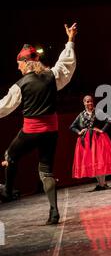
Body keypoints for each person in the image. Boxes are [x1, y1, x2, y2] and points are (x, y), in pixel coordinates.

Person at [0, 23, 77, 224]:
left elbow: (4, 107)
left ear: (25, 62)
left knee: (10, 154)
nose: (18, 67)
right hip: (51, 131)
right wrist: (70, 40)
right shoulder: (52, 76)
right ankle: (53, 211)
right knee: (46, 171)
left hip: (31, 131)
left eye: (19, 63)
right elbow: (66, 63)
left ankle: (7, 191)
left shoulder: (21, 85)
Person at [70, 96, 111, 190]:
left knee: (100, 160)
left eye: (91, 101)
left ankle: (103, 183)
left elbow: (109, 120)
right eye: (87, 101)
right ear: (84, 103)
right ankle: (101, 184)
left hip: (97, 139)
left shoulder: (98, 112)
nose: (90, 103)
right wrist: (79, 132)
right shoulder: (81, 115)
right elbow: (72, 126)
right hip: (87, 140)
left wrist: (101, 130)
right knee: (93, 161)